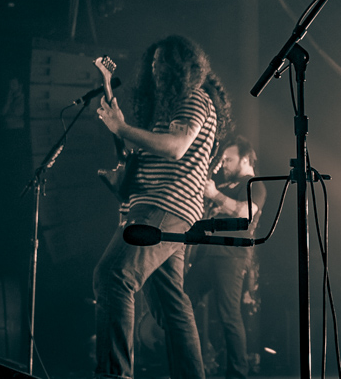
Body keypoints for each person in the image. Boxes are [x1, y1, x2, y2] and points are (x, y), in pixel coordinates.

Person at [94, 35, 232, 379]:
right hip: (167, 212)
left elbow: (175, 148)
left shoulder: (194, 99)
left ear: (183, 67)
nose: (155, 70)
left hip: (164, 208)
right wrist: (118, 125)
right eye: (153, 63)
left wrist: (123, 127)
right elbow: (141, 153)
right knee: (172, 308)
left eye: (163, 63)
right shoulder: (169, 111)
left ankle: (114, 376)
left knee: (113, 276)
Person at [186, 136, 266, 379]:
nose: (225, 165)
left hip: (231, 255)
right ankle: (193, 364)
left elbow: (246, 213)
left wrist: (215, 196)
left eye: (229, 160)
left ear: (245, 159)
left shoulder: (255, 184)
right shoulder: (223, 186)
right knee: (182, 301)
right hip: (206, 254)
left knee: (229, 314)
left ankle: (237, 373)